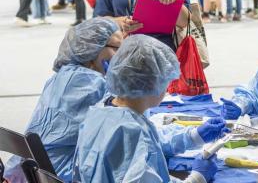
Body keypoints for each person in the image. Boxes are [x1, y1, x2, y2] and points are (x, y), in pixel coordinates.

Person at [73, 35, 219, 183]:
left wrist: (194, 136)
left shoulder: (101, 110)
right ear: (152, 85)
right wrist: (197, 178)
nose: (167, 89)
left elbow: (151, 142)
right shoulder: (131, 131)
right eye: (166, 82)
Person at [4, 17, 123, 183]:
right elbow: (123, 129)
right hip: (60, 174)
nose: (122, 55)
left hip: (26, 173)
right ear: (91, 49)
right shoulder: (93, 84)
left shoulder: (60, 76)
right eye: (117, 47)